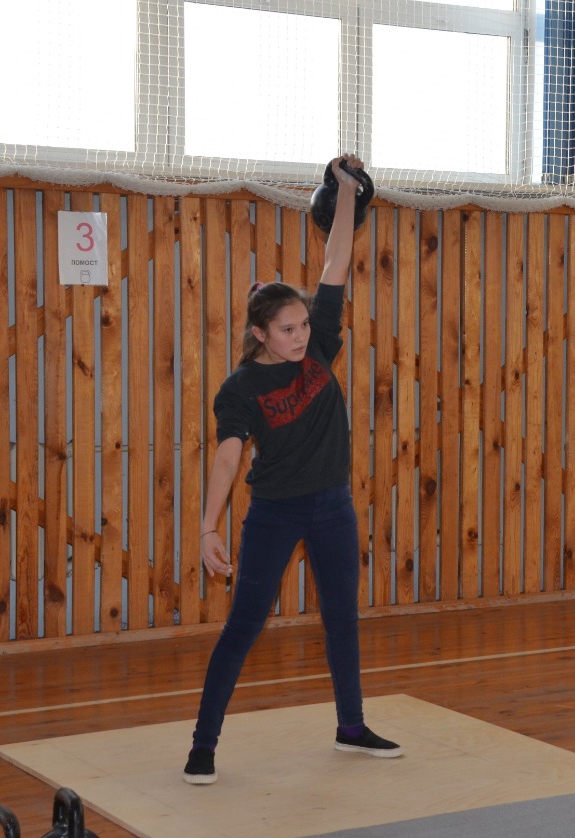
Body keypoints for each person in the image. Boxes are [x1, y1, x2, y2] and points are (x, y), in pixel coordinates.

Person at [184, 154, 401, 786]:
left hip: (332, 505)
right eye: (287, 330)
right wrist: (208, 526)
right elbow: (229, 454)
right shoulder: (240, 388)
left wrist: (347, 191)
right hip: (275, 514)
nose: (301, 336)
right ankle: (203, 745)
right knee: (243, 627)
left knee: (342, 619)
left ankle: (351, 727)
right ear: (260, 334)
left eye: (304, 325)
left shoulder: (321, 344)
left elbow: (336, 262)